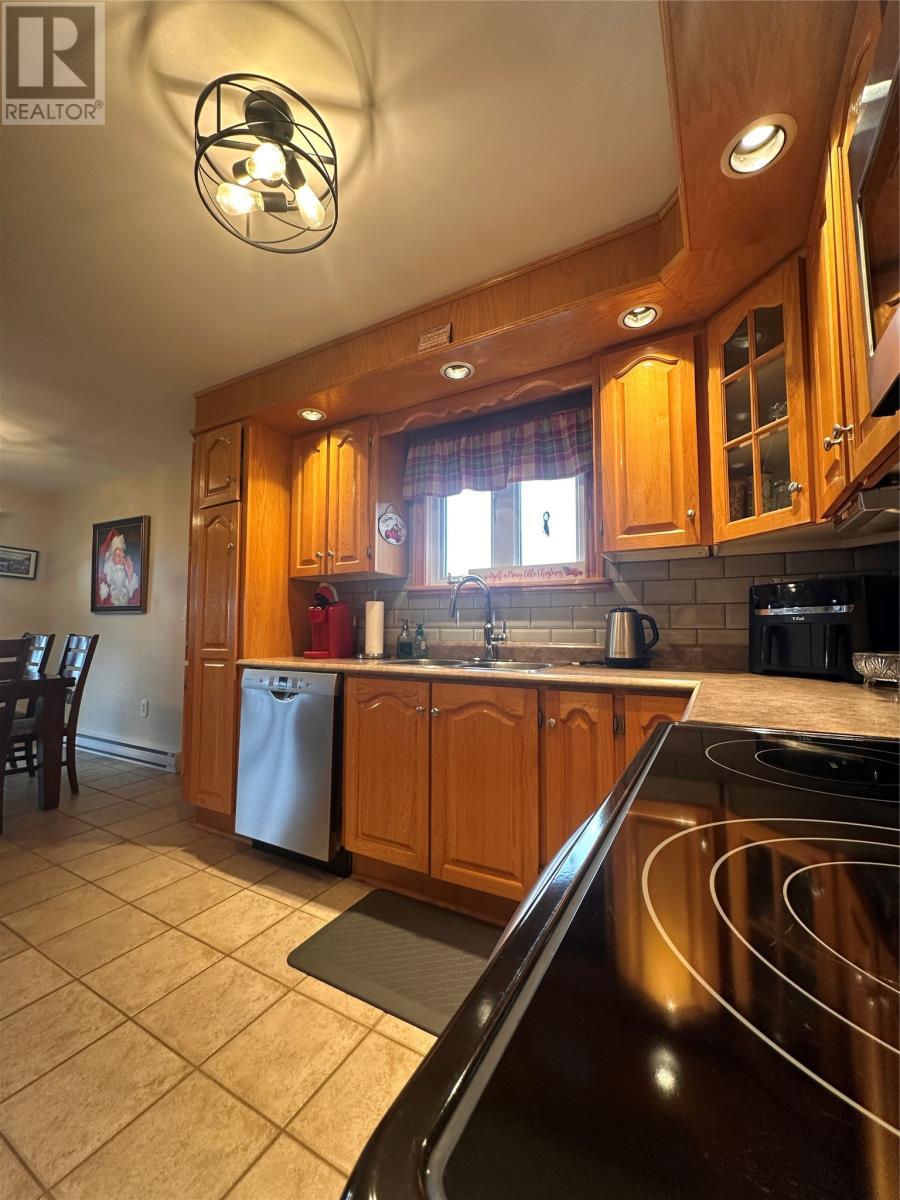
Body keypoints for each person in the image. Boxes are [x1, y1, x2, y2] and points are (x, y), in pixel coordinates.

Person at [97, 528, 140, 607]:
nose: (121, 559)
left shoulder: (127, 579)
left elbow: (136, 602)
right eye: (117, 555)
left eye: (122, 556)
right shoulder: (102, 579)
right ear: (110, 559)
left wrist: (130, 574)